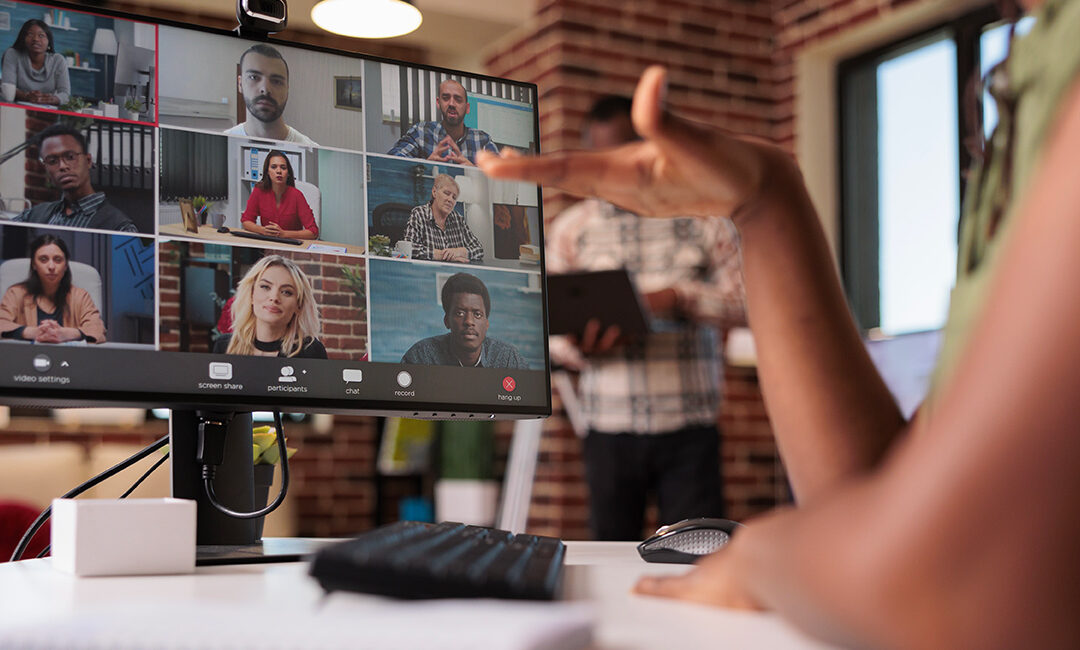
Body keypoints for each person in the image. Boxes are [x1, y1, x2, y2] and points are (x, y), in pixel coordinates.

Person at [477, 0, 1080, 644]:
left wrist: (760, 553)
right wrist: (766, 197)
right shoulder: (1041, 60)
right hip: (610, 419)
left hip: (687, 419)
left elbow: (943, 577)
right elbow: (873, 497)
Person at [546, 95, 746, 541]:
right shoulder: (570, 229)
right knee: (611, 553)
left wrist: (676, 297)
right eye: (603, 155)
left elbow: (747, 303)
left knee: (700, 555)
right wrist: (579, 347)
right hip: (607, 432)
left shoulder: (706, 219)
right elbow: (547, 330)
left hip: (691, 430)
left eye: (625, 151)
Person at [14, 124, 138, 232]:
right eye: (52, 161)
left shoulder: (120, 226)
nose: (62, 166)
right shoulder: (34, 215)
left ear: (88, 161)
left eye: (70, 157)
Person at [402, 272, 528, 368]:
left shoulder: (509, 359)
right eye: (460, 313)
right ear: (446, 321)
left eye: (477, 314)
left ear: (487, 323)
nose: (469, 321)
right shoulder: (421, 356)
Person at [213, 255, 326, 358]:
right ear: (251, 295)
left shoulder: (311, 351)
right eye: (265, 287)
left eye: (286, 292)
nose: (274, 297)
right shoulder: (224, 346)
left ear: (298, 305)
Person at [0, 234, 106, 344]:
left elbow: (97, 329)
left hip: (69, 359)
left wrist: (65, 334)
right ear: (34, 265)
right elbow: (1, 323)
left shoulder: (80, 296)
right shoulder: (16, 293)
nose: (51, 266)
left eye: (58, 260)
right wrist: (34, 332)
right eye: (43, 259)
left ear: (65, 266)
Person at [387, 79, 498, 166]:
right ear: (438, 103)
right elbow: (392, 161)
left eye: (458, 99)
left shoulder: (483, 140)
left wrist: (473, 172)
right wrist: (427, 165)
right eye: (446, 98)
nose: (451, 104)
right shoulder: (421, 132)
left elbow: (502, 178)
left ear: (467, 108)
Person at [224, 44, 316, 145]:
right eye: (254, 77)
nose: (265, 89)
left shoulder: (311, 150)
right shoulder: (222, 145)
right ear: (240, 84)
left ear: (287, 89)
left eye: (276, 81)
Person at [402, 174, 483, 263]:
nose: (450, 200)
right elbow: (408, 249)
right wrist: (443, 255)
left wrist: (458, 252)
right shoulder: (419, 214)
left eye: (454, 197)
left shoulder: (458, 219)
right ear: (434, 192)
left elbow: (479, 249)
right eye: (446, 193)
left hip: (455, 273)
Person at [241, 151, 318, 240]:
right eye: (273, 167)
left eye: (283, 168)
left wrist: (284, 234)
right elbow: (246, 221)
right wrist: (262, 230)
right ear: (267, 172)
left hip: (292, 246)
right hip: (268, 245)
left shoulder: (297, 195)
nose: (278, 171)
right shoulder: (259, 191)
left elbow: (313, 232)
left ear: (288, 173)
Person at [1, 19, 70, 106]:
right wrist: (26, 97)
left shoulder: (58, 60)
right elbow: (8, 91)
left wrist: (49, 99)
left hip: (47, 112)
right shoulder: (12, 54)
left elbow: (65, 95)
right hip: (15, 109)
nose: (36, 39)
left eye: (41, 35)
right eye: (30, 34)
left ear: (48, 41)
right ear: (23, 38)